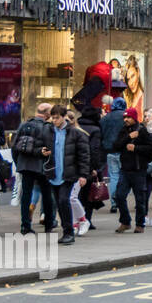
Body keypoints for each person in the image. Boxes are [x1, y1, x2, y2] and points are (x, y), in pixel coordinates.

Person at [42, 105, 89, 245]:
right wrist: (41, 150)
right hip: (53, 173)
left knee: (64, 200)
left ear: (63, 117)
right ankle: (66, 231)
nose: (54, 120)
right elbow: (40, 144)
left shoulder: (75, 133)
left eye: (57, 118)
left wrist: (83, 175)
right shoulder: (48, 131)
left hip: (68, 173)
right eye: (53, 117)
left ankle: (69, 232)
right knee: (59, 203)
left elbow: (84, 155)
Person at [11, 102, 55, 236]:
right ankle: (48, 223)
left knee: (26, 196)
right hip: (42, 167)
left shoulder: (24, 124)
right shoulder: (47, 127)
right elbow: (50, 148)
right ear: (47, 114)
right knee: (47, 195)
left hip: (25, 165)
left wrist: (19, 162)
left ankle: (25, 225)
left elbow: (14, 146)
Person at [113, 107, 152, 233]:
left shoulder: (142, 130)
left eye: (128, 117)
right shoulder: (123, 130)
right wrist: (128, 137)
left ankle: (140, 224)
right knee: (119, 196)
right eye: (125, 117)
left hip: (138, 170)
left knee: (140, 199)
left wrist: (136, 148)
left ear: (134, 118)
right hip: (125, 169)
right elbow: (115, 146)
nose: (126, 119)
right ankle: (125, 221)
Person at [76, 106, 105, 230]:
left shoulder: (76, 127)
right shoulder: (95, 130)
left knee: (76, 194)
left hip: (74, 164)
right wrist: (96, 168)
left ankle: (77, 219)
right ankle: (87, 219)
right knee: (88, 195)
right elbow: (94, 150)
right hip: (88, 165)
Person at [100, 96, 128, 212]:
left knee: (113, 176)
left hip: (110, 151)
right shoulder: (126, 117)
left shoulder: (106, 118)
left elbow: (101, 133)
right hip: (124, 151)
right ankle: (121, 199)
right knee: (124, 176)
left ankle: (114, 203)